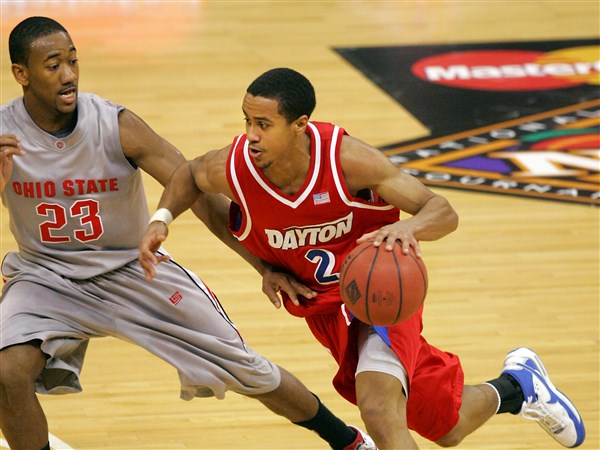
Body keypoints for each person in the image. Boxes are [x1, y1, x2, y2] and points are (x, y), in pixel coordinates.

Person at [139, 67, 587, 449]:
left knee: (377, 409)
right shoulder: (234, 166)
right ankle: (518, 386)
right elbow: (189, 177)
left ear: (300, 124)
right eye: (247, 121)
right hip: (326, 308)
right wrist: (166, 219)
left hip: (383, 292)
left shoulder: (348, 161)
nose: (250, 135)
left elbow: (442, 211)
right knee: (444, 426)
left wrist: (406, 228)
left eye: (263, 124)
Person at [0, 18, 377, 450]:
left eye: (72, 61)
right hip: (46, 278)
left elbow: (193, 188)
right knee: (7, 373)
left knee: (246, 368)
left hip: (133, 270)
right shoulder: (3, 134)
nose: (68, 75)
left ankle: (347, 441)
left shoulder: (115, 124)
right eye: (53, 66)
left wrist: (265, 265)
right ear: (21, 74)